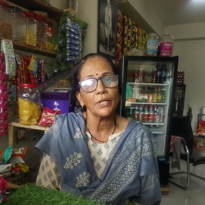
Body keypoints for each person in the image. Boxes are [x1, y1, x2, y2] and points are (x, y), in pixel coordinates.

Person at [35, 53, 162, 205]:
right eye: (89, 83)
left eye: (108, 79)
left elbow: (148, 200)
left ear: (119, 91)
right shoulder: (63, 129)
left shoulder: (140, 137)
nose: (101, 89)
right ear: (80, 97)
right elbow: (44, 191)